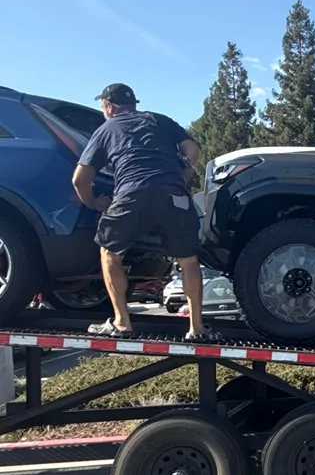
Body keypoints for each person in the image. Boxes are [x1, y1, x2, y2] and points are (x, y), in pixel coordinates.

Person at [71, 83, 218, 343]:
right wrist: (182, 176)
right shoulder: (159, 120)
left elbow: (79, 179)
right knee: (188, 260)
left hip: (132, 193)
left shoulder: (107, 129)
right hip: (173, 195)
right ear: (133, 104)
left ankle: (122, 322)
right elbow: (193, 150)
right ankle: (197, 329)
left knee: (110, 253)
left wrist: (94, 203)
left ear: (108, 106)